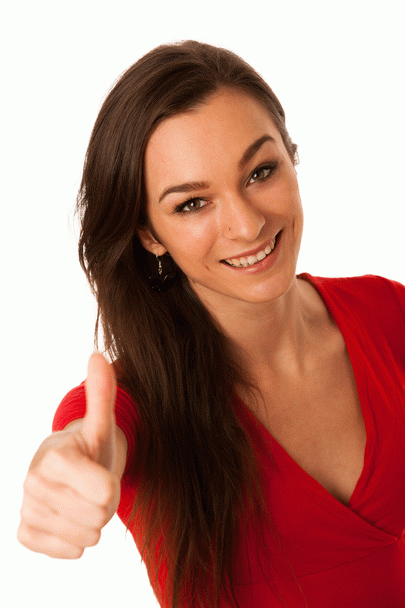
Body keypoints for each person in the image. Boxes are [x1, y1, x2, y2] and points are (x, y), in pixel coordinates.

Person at [17, 40, 405, 608]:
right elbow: (84, 444)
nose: (247, 225)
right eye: (192, 204)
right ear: (149, 235)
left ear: (291, 157)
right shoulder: (127, 409)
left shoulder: (387, 310)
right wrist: (56, 473)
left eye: (261, 171)